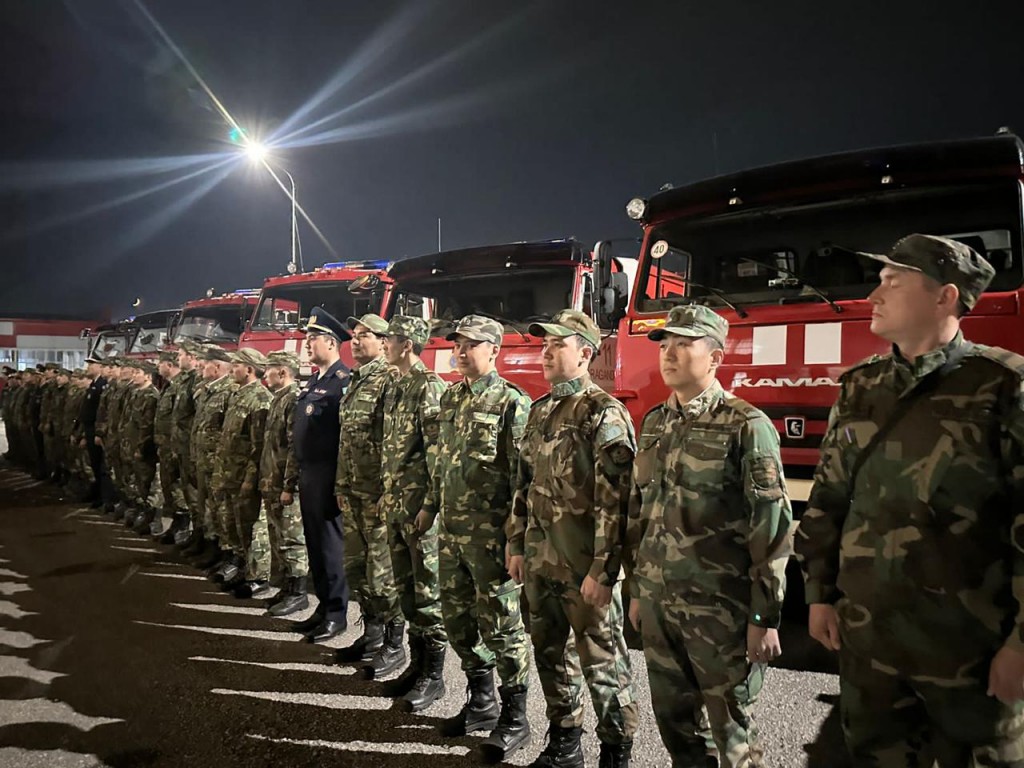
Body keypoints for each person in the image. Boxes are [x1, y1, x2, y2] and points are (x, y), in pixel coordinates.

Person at [795, 234, 1024, 766]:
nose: (873, 295)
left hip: (969, 649)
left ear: (945, 297)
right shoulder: (861, 386)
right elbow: (830, 497)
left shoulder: (1004, 387)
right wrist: (820, 592)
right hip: (870, 644)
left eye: (892, 282)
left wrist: (1020, 645)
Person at [624, 304, 792, 768]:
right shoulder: (655, 422)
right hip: (659, 605)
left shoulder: (746, 426)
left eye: (684, 344)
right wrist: (637, 590)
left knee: (733, 737)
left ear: (716, 358)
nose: (669, 354)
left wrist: (764, 615)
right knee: (676, 729)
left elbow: (771, 528)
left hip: (720, 612)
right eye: (665, 345)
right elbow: (641, 514)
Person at [508, 309, 638, 768]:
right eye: (544, 344)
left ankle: (616, 750)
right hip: (541, 563)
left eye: (557, 344)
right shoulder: (540, 410)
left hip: (584, 568)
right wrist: (516, 544)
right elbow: (523, 485)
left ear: (584, 354)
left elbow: (616, 503)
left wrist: (604, 570)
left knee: (604, 664)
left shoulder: (603, 413)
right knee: (549, 655)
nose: (545, 352)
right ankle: (565, 740)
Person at [430, 314, 533, 760]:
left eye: (470, 344)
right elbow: (442, 462)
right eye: (457, 344)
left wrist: (516, 540)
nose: (460, 351)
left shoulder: (512, 401)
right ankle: (481, 702)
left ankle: (516, 717)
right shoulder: (451, 396)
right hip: (451, 533)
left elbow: (522, 479)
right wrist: (429, 508)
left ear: (494, 350)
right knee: (457, 620)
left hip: (491, 538)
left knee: (502, 628)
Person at [380, 315, 448, 711]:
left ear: (407, 345)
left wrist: (429, 505)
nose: (384, 344)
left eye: (390, 339)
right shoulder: (396, 385)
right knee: (405, 590)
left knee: (427, 592)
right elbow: (391, 448)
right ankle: (417, 664)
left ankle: (434, 676)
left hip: (418, 509)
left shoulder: (428, 387)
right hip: (395, 505)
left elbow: (436, 454)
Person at [334, 313, 402, 673]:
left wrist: (387, 492)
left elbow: (394, 441)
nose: (356, 340)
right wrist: (341, 485)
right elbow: (347, 440)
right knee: (357, 568)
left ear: (384, 342)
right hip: (353, 492)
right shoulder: (355, 380)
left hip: (377, 495)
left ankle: (394, 644)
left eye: (366, 335)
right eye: (355, 335)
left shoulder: (389, 380)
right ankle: (372, 634)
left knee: (382, 574)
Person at [291, 307, 351, 644]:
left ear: (331, 342)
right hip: (309, 473)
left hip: (327, 474)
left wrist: (341, 480)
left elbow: (345, 437)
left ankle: (336, 614)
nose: (307, 343)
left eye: (313, 338)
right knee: (313, 543)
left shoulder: (342, 382)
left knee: (330, 546)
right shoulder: (315, 381)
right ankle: (323, 605)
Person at [211, 348, 272, 593]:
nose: (231, 370)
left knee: (253, 527)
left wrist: (250, 479)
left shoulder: (260, 399)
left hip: (245, 476)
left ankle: (259, 577)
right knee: (234, 523)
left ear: (248, 370)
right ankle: (243, 566)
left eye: (236, 365)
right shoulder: (238, 395)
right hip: (229, 473)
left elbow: (259, 446)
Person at [259, 351, 309, 616]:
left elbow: (294, 447)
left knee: (292, 539)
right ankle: (288, 587)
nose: (265, 374)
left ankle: (299, 593)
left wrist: (290, 486)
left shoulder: (294, 400)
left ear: (282, 372)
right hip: (272, 481)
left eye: (269, 369)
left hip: (284, 484)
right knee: (278, 536)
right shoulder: (279, 398)